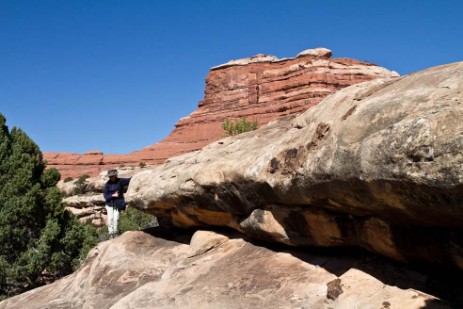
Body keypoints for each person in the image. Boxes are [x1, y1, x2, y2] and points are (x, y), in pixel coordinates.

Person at [103, 169, 131, 239]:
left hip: (117, 204)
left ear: (115, 175)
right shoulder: (107, 184)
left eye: (112, 176)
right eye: (110, 177)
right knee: (110, 219)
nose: (111, 178)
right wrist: (113, 195)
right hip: (109, 204)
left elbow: (129, 180)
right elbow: (105, 196)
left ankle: (115, 232)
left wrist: (136, 177)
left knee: (116, 219)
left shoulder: (120, 181)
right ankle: (110, 233)